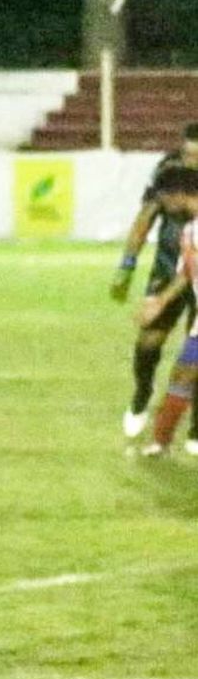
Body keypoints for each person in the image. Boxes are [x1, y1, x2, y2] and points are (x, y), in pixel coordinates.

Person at [111, 124, 198, 439]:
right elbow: (146, 217)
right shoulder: (168, 171)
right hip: (167, 268)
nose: (191, 162)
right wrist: (127, 265)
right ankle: (142, 394)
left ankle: (195, 427)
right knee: (149, 341)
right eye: (188, 154)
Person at [136, 165, 198, 456]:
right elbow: (187, 273)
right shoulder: (189, 230)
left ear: (177, 195)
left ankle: (161, 441)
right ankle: (161, 442)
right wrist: (159, 302)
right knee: (183, 374)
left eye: (164, 199)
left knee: (184, 374)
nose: (164, 206)